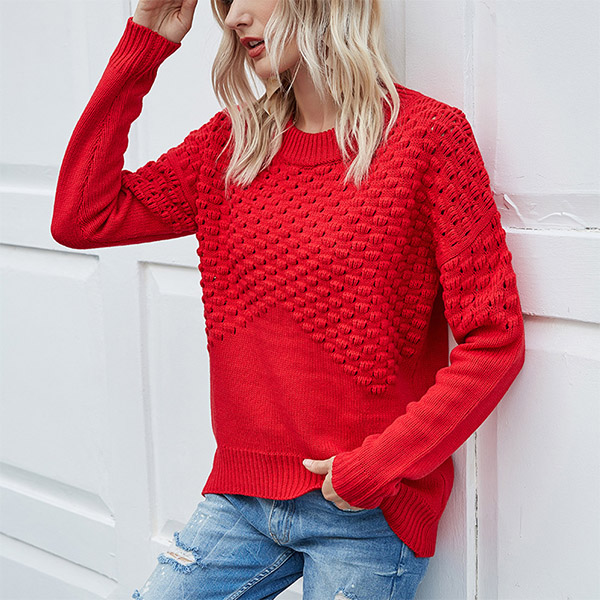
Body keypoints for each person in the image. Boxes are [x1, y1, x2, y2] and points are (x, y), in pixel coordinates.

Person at [51, 0, 527, 598]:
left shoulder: (428, 138)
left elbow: (495, 340)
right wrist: (145, 41)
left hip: (363, 512)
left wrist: (379, 464)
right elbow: (82, 215)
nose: (232, 17)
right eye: (225, 1)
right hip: (240, 499)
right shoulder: (233, 145)